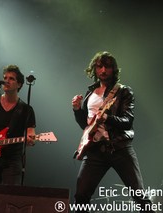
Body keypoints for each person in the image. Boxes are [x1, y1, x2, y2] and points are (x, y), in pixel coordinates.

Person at [71, 51, 154, 212]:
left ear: (113, 69)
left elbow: (128, 122)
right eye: (99, 66)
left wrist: (107, 118)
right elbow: (86, 126)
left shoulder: (123, 92)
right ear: (94, 70)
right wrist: (76, 110)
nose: (103, 70)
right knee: (81, 196)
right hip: (94, 150)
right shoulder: (90, 93)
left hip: (119, 148)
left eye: (107, 67)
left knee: (139, 196)